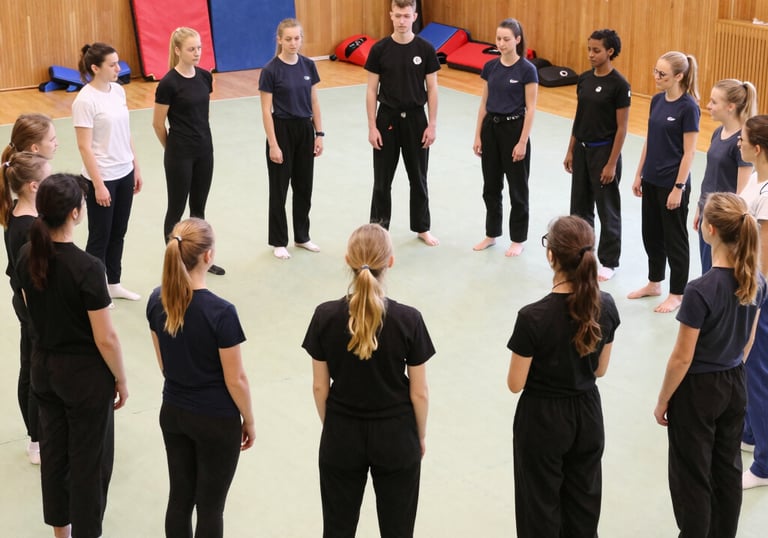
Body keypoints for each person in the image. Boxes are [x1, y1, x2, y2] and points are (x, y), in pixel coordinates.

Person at [15, 173, 128, 538]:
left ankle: (60, 533)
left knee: (55, 456)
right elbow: (106, 337)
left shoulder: (27, 256)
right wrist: (121, 379)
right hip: (83, 378)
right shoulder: (88, 268)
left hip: (44, 369)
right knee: (89, 465)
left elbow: (31, 311)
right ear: (77, 214)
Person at [303, 223, 433, 537]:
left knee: (337, 528)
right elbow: (420, 393)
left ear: (347, 259)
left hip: (342, 434)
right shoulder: (408, 320)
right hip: (396, 436)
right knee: (398, 529)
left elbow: (320, 386)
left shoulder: (324, 316)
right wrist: (420, 435)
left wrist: (333, 424)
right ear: (390, 262)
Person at [654, 192, 764, 536]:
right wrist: (731, 368)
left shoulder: (700, 290)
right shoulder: (756, 281)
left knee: (692, 475)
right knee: (726, 467)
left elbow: (682, 357)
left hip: (698, 390)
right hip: (734, 381)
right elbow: (747, 342)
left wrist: (663, 400)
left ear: (710, 229)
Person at [507, 215, 619, 537]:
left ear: (551, 255)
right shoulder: (606, 306)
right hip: (586, 413)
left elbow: (515, 383)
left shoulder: (533, 317)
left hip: (542, 418)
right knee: (583, 506)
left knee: (539, 508)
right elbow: (600, 369)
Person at [147, 217, 255, 537]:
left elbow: (164, 365)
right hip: (216, 420)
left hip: (174, 412)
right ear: (208, 256)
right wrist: (248, 419)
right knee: (210, 506)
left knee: (179, 498)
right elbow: (236, 379)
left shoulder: (157, 300)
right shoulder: (221, 312)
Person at [630, 51, 700, 313]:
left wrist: (678, 188)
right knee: (651, 234)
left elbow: (690, 152)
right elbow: (650, 139)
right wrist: (639, 173)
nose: (656, 77)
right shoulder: (657, 101)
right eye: (655, 71)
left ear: (679, 76)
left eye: (662, 74)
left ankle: (677, 293)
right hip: (651, 179)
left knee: (675, 239)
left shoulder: (688, 107)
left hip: (673, 183)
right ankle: (654, 282)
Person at [366, 0, 440, 246]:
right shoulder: (379, 49)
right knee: (382, 180)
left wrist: (432, 125)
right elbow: (370, 90)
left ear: (414, 16)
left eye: (406, 16)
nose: (401, 21)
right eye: (397, 15)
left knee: (418, 177)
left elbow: (432, 90)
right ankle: (378, 230)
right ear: (390, 15)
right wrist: (372, 126)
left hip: (417, 120)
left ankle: (422, 228)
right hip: (387, 118)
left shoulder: (425, 49)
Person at [73, 42, 143, 301]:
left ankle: (114, 283)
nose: (118, 67)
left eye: (118, 62)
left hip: (124, 172)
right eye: (112, 64)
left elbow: (126, 133)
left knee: (119, 231)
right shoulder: (85, 100)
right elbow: (84, 146)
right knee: (99, 236)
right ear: (95, 68)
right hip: (101, 177)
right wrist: (99, 185)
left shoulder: (118, 91)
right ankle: (95, 290)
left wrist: (135, 166)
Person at [153, 27, 225, 276]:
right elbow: (157, 123)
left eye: (199, 48)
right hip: (179, 153)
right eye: (191, 49)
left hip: (205, 150)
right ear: (177, 50)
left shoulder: (205, 77)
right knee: (176, 208)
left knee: (198, 209)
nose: (197, 53)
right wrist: (173, 150)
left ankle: (199, 258)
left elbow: (201, 115)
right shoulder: (168, 83)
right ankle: (174, 264)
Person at [563, 29, 630, 279]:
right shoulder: (584, 79)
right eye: (589, 49)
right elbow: (579, 118)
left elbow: (622, 129)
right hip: (582, 150)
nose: (591, 54)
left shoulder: (620, 85)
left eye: (596, 50)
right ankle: (582, 255)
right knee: (579, 208)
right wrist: (570, 149)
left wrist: (611, 163)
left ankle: (609, 261)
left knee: (607, 209)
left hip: (604, 153)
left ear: (609, 52)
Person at [1, 151, 51, 464]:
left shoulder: (20, 216)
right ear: (34, 186)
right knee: (34, 373)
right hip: (34, 309)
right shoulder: (28, 228)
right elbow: (30, 280)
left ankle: (38, 434)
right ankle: (36, 439)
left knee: (33, 370)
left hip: (28, 304)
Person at [472, 18, 538, 257]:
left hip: (514, 130)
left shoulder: (527, 70)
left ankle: (518, 238)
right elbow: (483, 104)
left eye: (506, 39)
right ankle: (491, 234)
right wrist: (478, 134)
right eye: (498, 38)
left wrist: (522, 142)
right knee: (491, 186)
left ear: (517, 40)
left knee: (517, 188)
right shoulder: (490, 67)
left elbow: (531, 108)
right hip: (491, 129)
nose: (501, 43)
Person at [259, 18, 324, 260]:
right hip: (282, 130)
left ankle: (302, 236)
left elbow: (315, 102)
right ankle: (278, 240)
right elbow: (266, 110)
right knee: (279, 189)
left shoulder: (308, 66)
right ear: (279, 40)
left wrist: (319, 133)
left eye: (297, 38)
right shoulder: (270, 70)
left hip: (305, 130)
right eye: (288, 39)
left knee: (304, 186)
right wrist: (274, 144)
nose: (293, 43)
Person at [693, 80, 757, 274]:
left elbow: (741, 194)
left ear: (730, 107)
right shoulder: (717, 132)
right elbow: (710, 175)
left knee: (718, 272)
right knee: (707, 269)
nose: (708, 106)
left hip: (724, 222)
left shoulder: (741, 142)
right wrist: (700, 207)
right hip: (709, 212)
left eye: (714, 102)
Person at [737, 115, 768, 489]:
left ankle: (764, 464)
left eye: (742, 139)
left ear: (757, 147)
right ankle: (748, 431)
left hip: (761, 292)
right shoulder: (756, 179)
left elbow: (765, 260)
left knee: (757, 370)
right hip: (752, 287)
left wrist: (755, 298)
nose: (737, 144)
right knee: (749, 367)